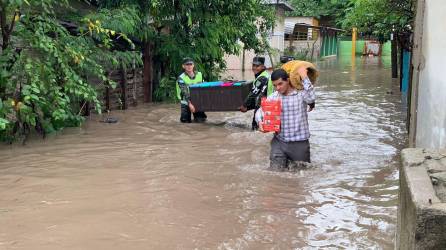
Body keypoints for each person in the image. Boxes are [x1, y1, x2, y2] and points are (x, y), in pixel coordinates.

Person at [256, 68, 316, 169]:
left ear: (288, 80)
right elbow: (260, 111)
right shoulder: (274, 97)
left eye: (280, 84)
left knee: (300, 176)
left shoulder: (300, 94)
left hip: (299, 143)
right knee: (275, 173)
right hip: (279, 141)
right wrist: (260, 122)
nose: (277, 88)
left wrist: (304, 77)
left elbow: (311, 98)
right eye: (275, 85)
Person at [239, 56, 273, 130]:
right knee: (265, 128)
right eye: (253, 65)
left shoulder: (261, 78)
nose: (254, 68)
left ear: (263, 67)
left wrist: (244, 105)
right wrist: (248, 108)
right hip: (269, 105)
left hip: (263, 107)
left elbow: (253, 94)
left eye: (257, 66)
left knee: (255, 128)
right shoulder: (265, 75)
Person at [176, 57, 207, 123]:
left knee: (201, 121)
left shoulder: (200, 74)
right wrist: (190, 104)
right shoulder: (181, 78)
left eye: (191, 64)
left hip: (197, 101)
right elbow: (185, 92)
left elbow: (203, 87)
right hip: (186, 102)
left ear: (193, 65)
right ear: (183, 66)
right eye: (187, 65)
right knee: (185, 123)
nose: (189, 66)